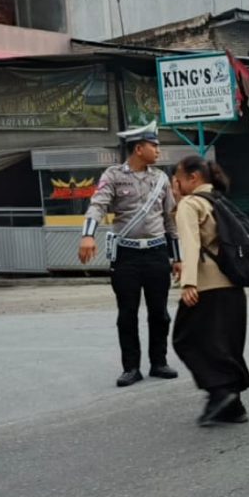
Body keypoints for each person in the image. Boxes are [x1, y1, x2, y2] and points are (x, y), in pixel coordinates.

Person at [79, 121, 182, 388]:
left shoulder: (160, 179)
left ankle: (158, 362)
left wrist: (177, 257)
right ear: (139, 148)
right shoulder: (113, 176)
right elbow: (97, 206)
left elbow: (170, 219)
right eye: (154, 145)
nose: (158, 150)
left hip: (157, 253)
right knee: (127, 314)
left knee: (159, 313)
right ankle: (131, 367)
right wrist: (88, 235)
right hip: (127, 256)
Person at [170, 155, 249, 426]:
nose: (176, 185)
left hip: (208, 287)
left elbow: (191, 245)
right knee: (226, 344)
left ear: (193, 178)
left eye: (178, 179)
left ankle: (220, 393)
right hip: (233, 286)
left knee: (185, 338)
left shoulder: (190, 204)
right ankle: (234, 405)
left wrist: (189, 283)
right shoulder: (219, 201)